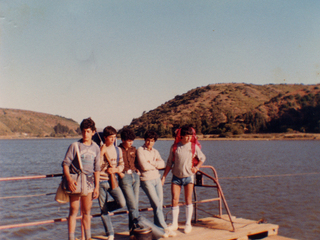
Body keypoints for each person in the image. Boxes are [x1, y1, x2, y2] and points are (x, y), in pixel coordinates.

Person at [161, 125, 206, 234]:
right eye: (186, 136)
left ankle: (187, 224)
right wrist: (163, 177)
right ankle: (174, 223)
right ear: (181, 136)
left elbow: (202, 158)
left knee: (188, 200)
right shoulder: (175, 147)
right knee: (174, 199)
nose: (188, 138)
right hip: (176, 177)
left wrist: (197, 167)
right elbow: (169, 163)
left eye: (190, 136)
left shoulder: (194, 146)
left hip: (188, 177)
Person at [62, 117, 100, 240]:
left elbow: (97, 169)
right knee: (74, 210)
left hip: (89, 182)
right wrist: (69, 179)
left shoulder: (96, 148)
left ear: (93, 132)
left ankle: (88, 237)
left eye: (88, 131)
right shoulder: (75, 146)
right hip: (76, 182)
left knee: (87, 212)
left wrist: (97, 187)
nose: (85, 134)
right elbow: (65, 164)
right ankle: (71, 238)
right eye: (83, 131)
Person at [137, 130, 176, 238]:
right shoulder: (140, 150)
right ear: (145, 140)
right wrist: (155, 165)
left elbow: (163, 164)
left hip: (157, 179)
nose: (150, 143)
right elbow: (144, 166)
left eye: (152, 141)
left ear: (155, 141)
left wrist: (152, 163)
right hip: (146, 179)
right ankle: (165, 228)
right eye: (148, 140)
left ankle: (157, 230)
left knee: (159, 204)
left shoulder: (155, 152)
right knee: (156, 204)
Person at [99, 126, 126, 240]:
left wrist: (115, 170)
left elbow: (122, 165)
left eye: (115, 137)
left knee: (122, 203)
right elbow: (96, 167)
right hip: (100, 181)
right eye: (111, 138)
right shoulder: (99, 149)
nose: (113, 140)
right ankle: (110, 233)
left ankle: (105, 208)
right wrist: (101, 153)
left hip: (112, 180)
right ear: (105, 138)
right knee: (103, 210)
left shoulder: (118, 150)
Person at [118, 128, 140, 234]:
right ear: (123, 140)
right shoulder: (117, 150)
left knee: (135, 203)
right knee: (132, 205)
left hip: (135, 176)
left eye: (132, 140)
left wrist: (138, 170)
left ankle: (132, 232)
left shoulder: (134, 149)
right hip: (125, 177)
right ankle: (137, 228)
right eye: (128, 140)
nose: (130, 142)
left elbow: (137, 162)